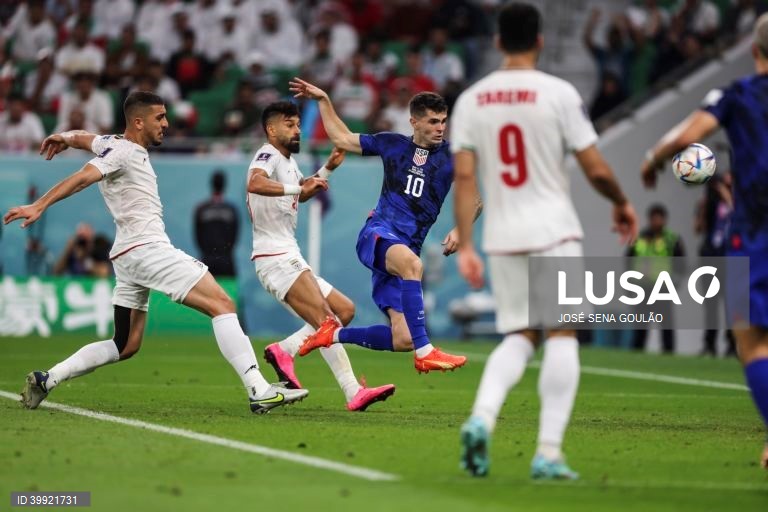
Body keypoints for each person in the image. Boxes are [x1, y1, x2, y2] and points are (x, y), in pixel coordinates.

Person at [4, 91, 307, 415]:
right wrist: (40, 204)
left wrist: (65, 137)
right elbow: (82, 178)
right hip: (147, 248)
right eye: (159, 118)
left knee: (125, 344)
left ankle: (46, 379)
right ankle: (258, 389)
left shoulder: (111, 143)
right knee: (222, 304)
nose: (166, 123)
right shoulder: (124, 152)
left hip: (126, 255)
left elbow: (86, 138)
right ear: (138, 121)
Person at [451, 2, 638, 480]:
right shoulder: (558, 93)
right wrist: (620, 201)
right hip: (553, 230)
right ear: (539, 41)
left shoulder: (472, 99)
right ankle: (548, 451)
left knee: (518, 336)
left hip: (503, 234)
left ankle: (481, 418)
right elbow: (595, 167)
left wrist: (468, 244)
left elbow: (466, 177)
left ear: (497, 42)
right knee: (562, 333)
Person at [641, 12, 768, 471]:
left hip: (755, 233)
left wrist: (654, 158)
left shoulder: (737, 95)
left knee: (751, 342)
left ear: (754, 51)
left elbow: (690, 135)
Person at [289, 79, 475, 373]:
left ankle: (332, 334)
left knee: (403, 338)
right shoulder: (392, 144)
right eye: (433, 121)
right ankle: (427, 352)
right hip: (378, 235)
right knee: (414, 265)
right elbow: (344, 138)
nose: (440, 128)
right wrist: (324, 99)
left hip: (403, 252)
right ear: (414, 121)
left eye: (443, 121)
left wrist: (462, 229)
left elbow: (475, 198)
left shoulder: (453, 157)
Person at [247, 101, 395, 411]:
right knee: (328, 321)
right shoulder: (268, 154)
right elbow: (256, 182)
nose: (297, 129)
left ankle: (284, 350)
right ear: (271, 130)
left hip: (287, 252)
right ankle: (353, 391)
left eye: (298, 123)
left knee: (344, 310)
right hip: (274, 255)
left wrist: (328, 168)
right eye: (290, 124)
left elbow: (304, 188)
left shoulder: (287, 162)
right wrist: (296, 190)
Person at [626, 203, 685, 354]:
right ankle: (636, 354)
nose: (657, 222)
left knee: (666, 325)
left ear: (664, 220)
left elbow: (681, 264)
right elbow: (628, 260)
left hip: (663, 289)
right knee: (640, 326)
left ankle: (669, 354)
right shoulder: (639, 237)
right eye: (654, 218)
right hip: (643, 288)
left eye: (659, 218)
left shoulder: (672, 239)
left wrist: (674, 284)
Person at [695, 172, 736, 356]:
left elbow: (736, 212)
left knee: (734, 305)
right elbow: (698, 228)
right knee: (710, 304)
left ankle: (733, 345)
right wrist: (703, 207)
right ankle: (709, 344)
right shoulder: (710, 202)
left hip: (733, 258)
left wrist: (726, 194)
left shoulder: (741, 201)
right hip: (711, 257)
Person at [193, 170, 239, 277]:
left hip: (207, 260)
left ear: (211, 184)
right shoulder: (231, 210)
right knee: (228, 293)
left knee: (206, 293)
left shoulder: (201, 209)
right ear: (224, 185)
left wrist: (208, 252)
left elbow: (197, 236)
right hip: (227, 261)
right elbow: (235, 235)